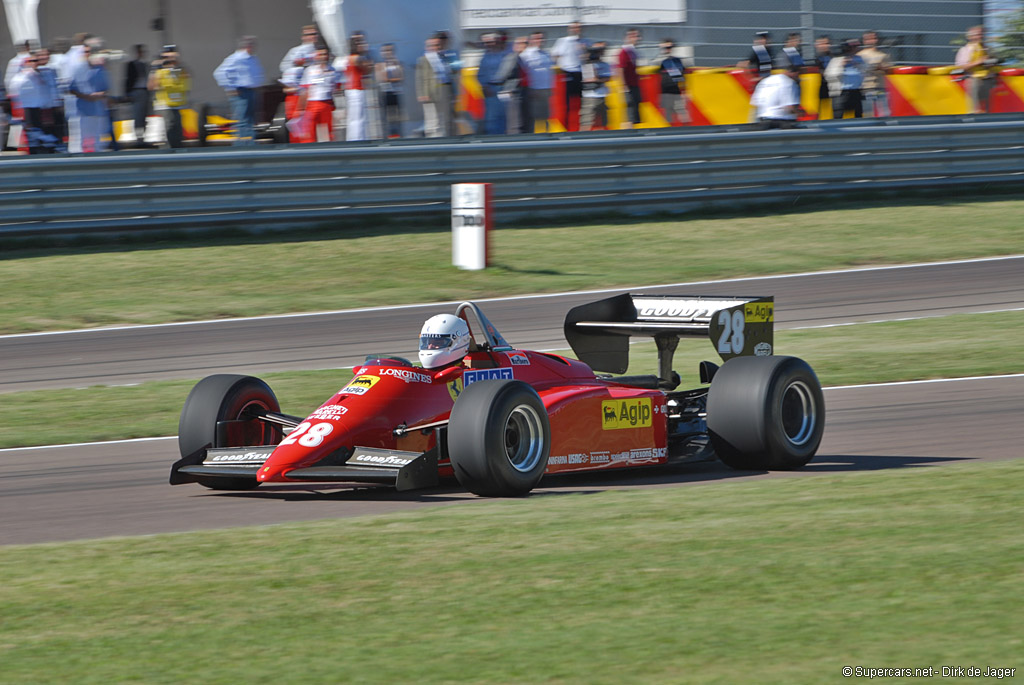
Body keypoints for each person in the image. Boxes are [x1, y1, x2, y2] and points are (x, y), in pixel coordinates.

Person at [213, 36, 265, 145]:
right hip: (241, 93)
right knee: (242, 120)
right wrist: (231, 88)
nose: (253, 47)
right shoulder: (236, 58)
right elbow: (219, 73)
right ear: (247, 46)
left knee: (250, 120)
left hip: (251, 91)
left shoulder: (253, 58)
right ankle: (241, 145)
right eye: (251, 45)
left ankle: (249, 143)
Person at [10, 50, 60, 153]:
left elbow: (44, 91)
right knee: (32, 133)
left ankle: (46, 147)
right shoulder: (21, 77)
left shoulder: (39, 74)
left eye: (36, 60)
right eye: (31, 61)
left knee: (41, 131)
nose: (34, 63)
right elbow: (15, 92)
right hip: (28, 108)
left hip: (40, 108)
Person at [68, 39, 112, 153]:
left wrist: (98, 95)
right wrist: (85, 96)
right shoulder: (78, 69)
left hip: (98, 110)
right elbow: (71, 89)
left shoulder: (100, 70)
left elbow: (106, 89)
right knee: (84, 140)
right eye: (85, 52)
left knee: (98, 141)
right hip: (84, 110)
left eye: (89, 52)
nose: (87, 54)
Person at [148, 46, 190, 148]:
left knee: (177, 130)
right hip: (164, 105)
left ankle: (177, 152)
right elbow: (151, 86)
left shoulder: (181, 69)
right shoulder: (158, 70)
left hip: (177, 105)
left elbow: (186, 83)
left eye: (173, 56)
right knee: (169, 129)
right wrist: (156, 70)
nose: (171, 59)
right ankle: (168, 152)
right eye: (168, 56)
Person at [299, 44, 339, 143]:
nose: (323, 57)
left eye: (325, 54)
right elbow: (304, 90)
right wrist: (301, 109)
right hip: (312, 104)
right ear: (316, 55)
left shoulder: (332, 70)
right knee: (309, 133)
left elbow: (336, 89)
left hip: (326, 103)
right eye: (320, 54)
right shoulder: (309, 70)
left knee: (327, 134)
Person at [550, 21, 586, 131]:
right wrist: (559, 69)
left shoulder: (585, 41)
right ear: (569, 29)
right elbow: (555, 56)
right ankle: (565, 126)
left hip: (581, 73)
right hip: (567, 72)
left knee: (581, 102)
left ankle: (580, 126)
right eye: (574, 27)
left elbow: (589, 58)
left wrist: (583, 50)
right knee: (566, 103)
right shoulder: (563, 41)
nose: (576, 30)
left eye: (578, 28)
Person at [416, 35, 454, 137]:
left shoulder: (443, 58)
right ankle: (432, 140)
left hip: (443, 91)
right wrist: (422, 93)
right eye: (432, 45)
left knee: (443, 118)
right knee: (432, 119)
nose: (435, 47)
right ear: (427, 47)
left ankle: (443, 138)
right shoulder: (423, 59)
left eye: (437, 45)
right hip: (430, 92)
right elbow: (419, 78)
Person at [955, 25, 997, 114]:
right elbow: (962, 66)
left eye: (982, 34)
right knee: (974, 84)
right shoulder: (965, 50)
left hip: (988, 78)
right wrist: (979, 61)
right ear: (970, 37)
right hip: (974, 78)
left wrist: (991, 63)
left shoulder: (987, 49)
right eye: (977, 34)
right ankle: (975, 112)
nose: (980, 37)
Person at [751, 63, 803, 129]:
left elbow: (756, 103)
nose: (799, 78)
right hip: (782, 122)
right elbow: (790, 107)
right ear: (795, 73)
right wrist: (800, 112)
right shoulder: (789, 82)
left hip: (763, 121)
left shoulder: (765, 81)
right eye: (799, 75)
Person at [521, 31, 553, 133]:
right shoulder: (526, 54)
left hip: (545, 88)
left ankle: (547, 135)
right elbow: (524, 73)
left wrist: (550, 87)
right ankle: (533, 137)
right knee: (533, 116)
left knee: (546, 115)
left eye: (541, 38)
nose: (540, 41)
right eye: (537, 38)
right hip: (534, 90)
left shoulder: (546, 54)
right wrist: (530, 89)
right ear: (531, 40)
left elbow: (548, 71)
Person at [825, 39, 865, 119]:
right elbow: (829, 75)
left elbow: (865, 72)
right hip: (841, 92)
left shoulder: (859, 59)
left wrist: (857, 64)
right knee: (838, 114)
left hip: (856, 90)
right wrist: (841, 65)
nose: (856, 48)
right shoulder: (836, 60)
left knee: (858, 114)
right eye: (853, 47)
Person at [476, 33, 507, 135]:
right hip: (491, 89)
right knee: (491, 118)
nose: (490, 44)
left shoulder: (504, 54)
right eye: (486, 43)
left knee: (504, 116)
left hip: (504, 88)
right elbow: (480, 74)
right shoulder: (484, 57)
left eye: (492, 42)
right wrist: (485, 86)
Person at [858, 31, 891, 117]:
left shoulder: (883, 55)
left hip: (881, 86)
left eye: (873, 38)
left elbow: (889, 71)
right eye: (867, 39)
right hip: (866, 87)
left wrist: (881, 68)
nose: (871, 41)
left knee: (884, 112)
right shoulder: (859, 55)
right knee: (868, 112)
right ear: (864, 41)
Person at [580, 42, 610, 131]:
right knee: (586, 121)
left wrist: (597, 79)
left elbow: (607, 78)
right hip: (589, 96)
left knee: (602, 122)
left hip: (602, 95)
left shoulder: (604, 64)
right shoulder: (586, 65)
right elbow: (588, 79)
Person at [656, 38, 688, 126]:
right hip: (665, 91)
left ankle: (687, 132)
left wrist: (684, 91)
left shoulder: (677, 61)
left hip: (676, 91)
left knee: (682, 112)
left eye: (669, 47)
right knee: (668, 115)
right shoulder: (659, 61)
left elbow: (682, 76)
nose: (667, 50)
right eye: (665, 48)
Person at [375, 43, 403, 138]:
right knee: (386, 117)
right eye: (385, 51)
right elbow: (382, 78)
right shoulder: (380, 65)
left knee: (396, 116)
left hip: (396, 92)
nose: (388, 53)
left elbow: (401, 77)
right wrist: (394, 78)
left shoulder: (397, 63)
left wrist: (393, 77)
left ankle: (397, 135)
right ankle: (387, 136)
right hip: (385, 93)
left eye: (390, 50)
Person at [124, 44, 150, 145]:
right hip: (136, 91)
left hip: (145, 90)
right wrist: (127, 93)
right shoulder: (132, 64)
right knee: (137, 114)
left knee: (144, 114)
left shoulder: (146, 65)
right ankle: (138, 136)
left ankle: (143, 136)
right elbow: (127, 79)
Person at [617, 28, 642, 128]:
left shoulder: (633, 52)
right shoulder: (624, 52)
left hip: (634, 85)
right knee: (630, 113)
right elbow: (620, 69)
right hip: (629, 86)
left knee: (635, 112)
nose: (638, 39)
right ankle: (628, 134)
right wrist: (624, 86)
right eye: (635, 36)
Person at [812, 35, 832, 119]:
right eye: (821, 44)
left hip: (831, 86)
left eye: (826, 43)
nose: (824, 46)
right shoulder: (813, 59)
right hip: (818, 87)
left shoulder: (833, 57)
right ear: (816, 45)